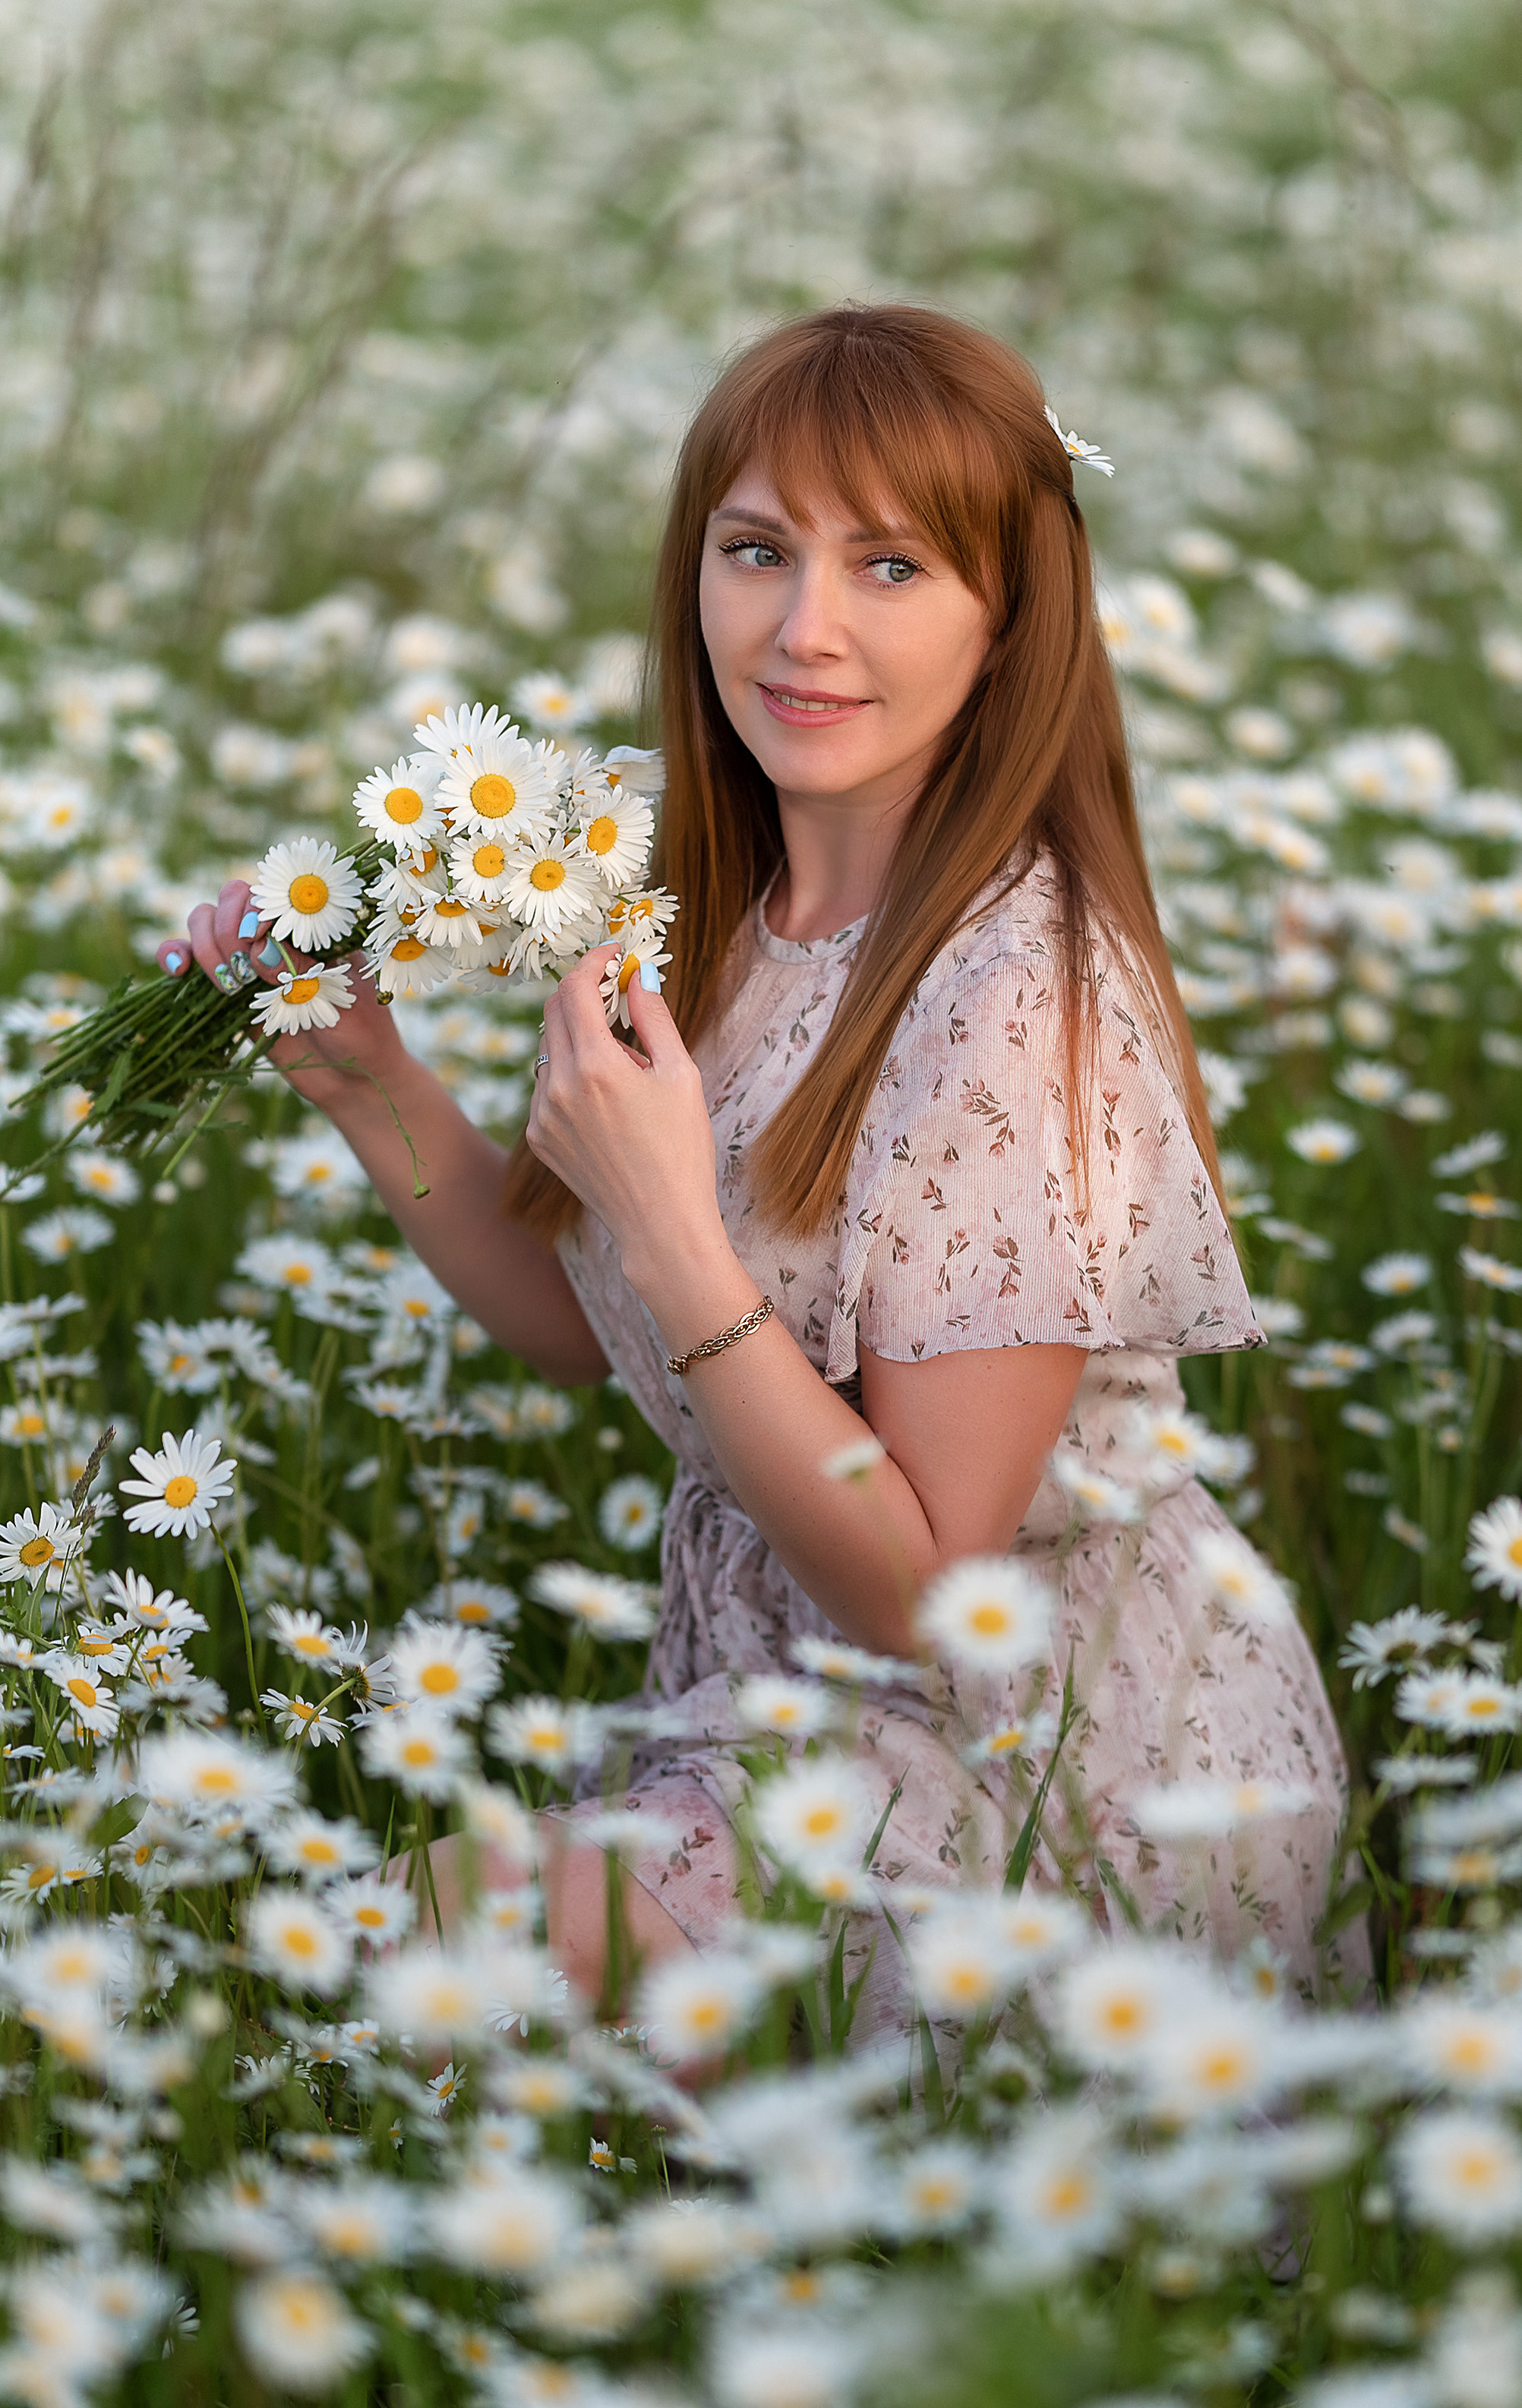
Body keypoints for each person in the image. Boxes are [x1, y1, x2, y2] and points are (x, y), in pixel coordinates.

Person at [162, 302, 1359, 2025]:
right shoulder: (689, 899)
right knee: (385, 1972)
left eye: (890, 567)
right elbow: (597, 1327)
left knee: (431, 1969)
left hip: (1047, 1764)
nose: (803, 628)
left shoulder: (1014, 996)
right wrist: (378, 1089)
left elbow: (944, 1608)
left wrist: (669, 1223)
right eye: (756, 549)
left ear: (1009, 610)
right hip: (783, 1703)